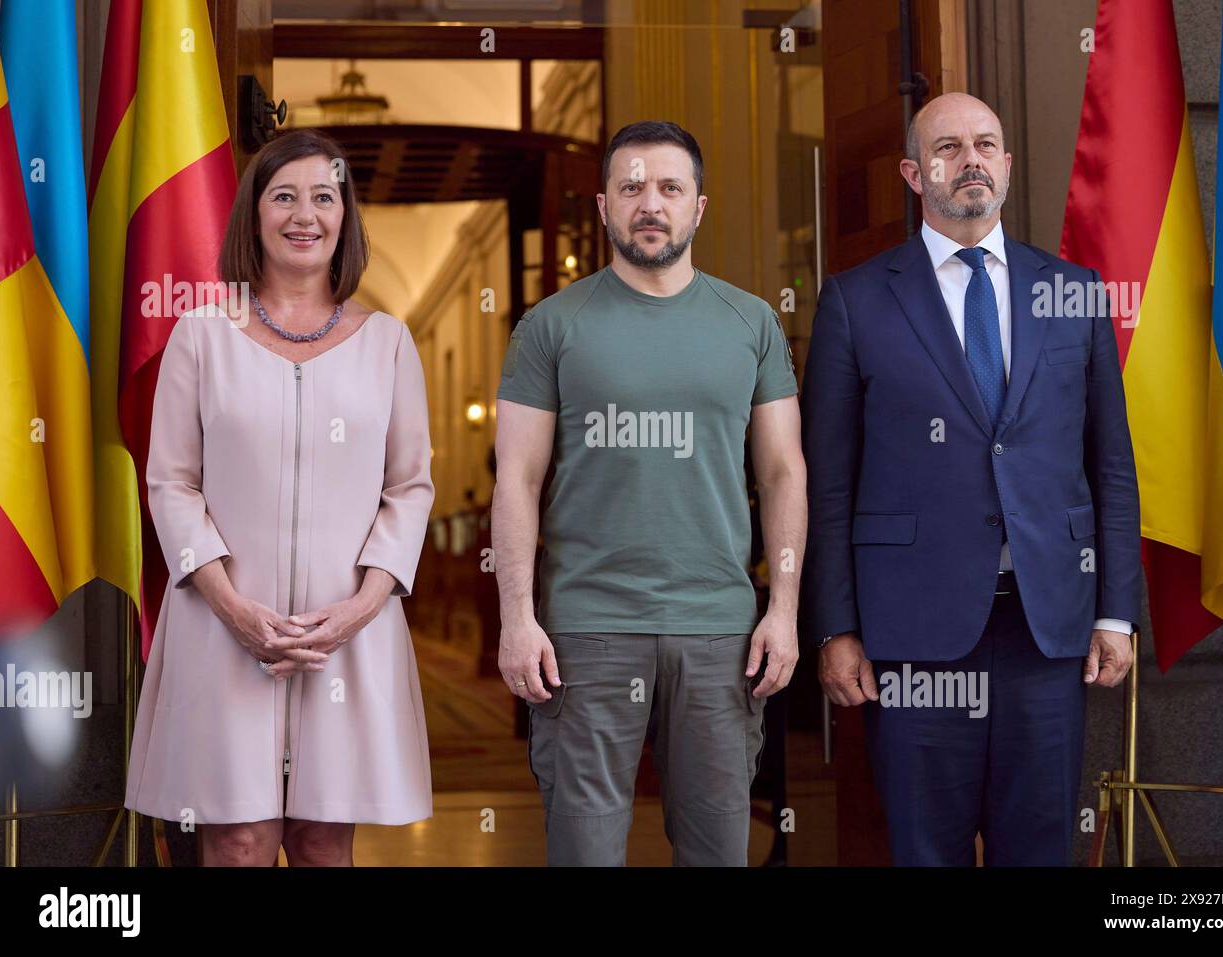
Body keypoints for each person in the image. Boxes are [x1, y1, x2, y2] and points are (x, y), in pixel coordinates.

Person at [801, 93, 1141, 865]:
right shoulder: (856, 300)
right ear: (915, 173)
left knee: (1040, 848)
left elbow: (1111, 467)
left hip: (1046, 629)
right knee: (926, 849)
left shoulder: (1075, 293)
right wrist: (837, 626)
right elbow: (831, 484)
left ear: (1009, 166)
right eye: (949, 148)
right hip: (911, 636)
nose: (971, 160)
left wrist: (1117, 612)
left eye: (986, 144)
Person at [494, 120, 806, 866]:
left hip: (718, 631)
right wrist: (516, 618)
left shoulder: (753, 322)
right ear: (603, 205)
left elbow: (784, 471)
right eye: (631, 186)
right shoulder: (550, 327)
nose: (650, 203)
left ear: (699, 207)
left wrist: (785, 611)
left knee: (715, 854)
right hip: (586, 632)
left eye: (670, 187)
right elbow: (518, 479)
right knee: (585, 852)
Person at [124, 129, 436, 866]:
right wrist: (232, 605)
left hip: (347, 633)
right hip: (224, 625)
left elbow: (410, 486)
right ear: (254, 215)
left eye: (324, 197)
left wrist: (360, 608)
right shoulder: (201, 336)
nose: (305, 214)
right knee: (237, 839)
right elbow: (171, 480)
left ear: (345, 216)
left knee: (325, 839)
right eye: (284, 195)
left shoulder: (387, 342)